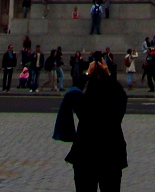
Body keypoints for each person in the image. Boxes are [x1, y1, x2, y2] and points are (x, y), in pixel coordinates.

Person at [53, 50, 128, 192]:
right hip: (111, 156)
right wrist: (108, 74)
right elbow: (121, 96)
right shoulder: (115, 102)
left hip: (85, 156)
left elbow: (74, 90)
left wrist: (87, 74)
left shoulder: (83, 101)